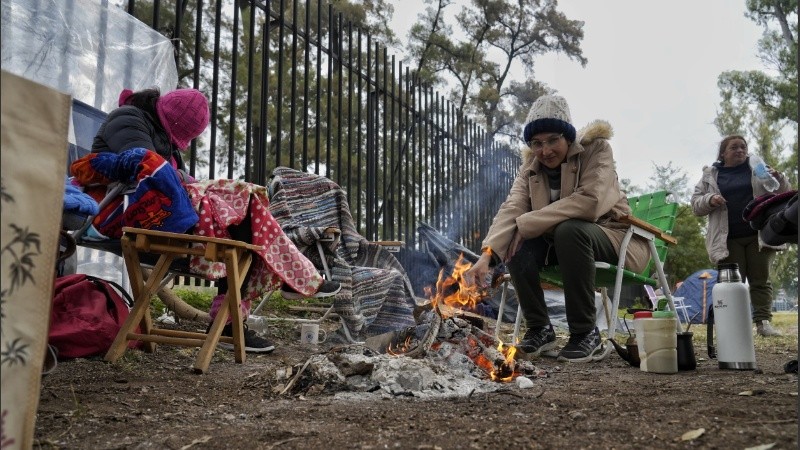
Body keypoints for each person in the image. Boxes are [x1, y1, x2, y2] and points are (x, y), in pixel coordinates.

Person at [80, 87, 340, 352]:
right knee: (245, 204)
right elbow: (149, 170)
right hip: (121, 214)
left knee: (244, 218)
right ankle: (288, 280)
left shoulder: (159, 133)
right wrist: (190, 181)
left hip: (158, 215)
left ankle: (252, 306)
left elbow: (172, 178)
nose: (183, 144)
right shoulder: (128, 119)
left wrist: (188, 181)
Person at [463, 95, 649, 362]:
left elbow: (590, 202)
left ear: (568, 138)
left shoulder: (597, 150)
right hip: (562, 246)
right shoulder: (530, 167)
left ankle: (585, 332)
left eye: (553, 140)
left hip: (613, 237)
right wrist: (487, 256)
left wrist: (525, 224)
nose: (545, 150)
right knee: (520, 247)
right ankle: (540, 329)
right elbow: (512, 207)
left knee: (569, 230)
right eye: (536, 143)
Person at [691, 135, 791, 336]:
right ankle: (734, 326)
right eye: (734, 147)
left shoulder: (758, 167)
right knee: (731, 284)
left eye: (743, 147)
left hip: (759, 234)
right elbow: (695, 204)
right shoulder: (711, 175)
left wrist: (779, 178)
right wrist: (710, 199)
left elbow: (782, 192)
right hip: (727, 239)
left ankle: (763, 324)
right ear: (723, 153)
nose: (740, 150)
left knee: (760, 280)